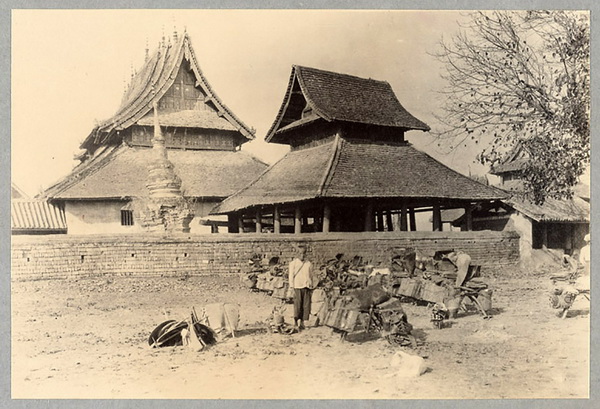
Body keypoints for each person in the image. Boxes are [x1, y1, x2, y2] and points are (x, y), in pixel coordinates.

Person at [289, 244, 315, 330]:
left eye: (304, 253)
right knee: (297, 305)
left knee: (306, 305)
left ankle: (303, 323)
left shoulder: (308, 264)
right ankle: (296, 322)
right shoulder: (293, 264)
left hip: (306, 286)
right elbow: (291, 276)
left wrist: (311, 285)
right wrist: (292, 287)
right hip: (297, 286)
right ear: (297, 254)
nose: (302, 255)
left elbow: (311, 275)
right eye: (300, 253)